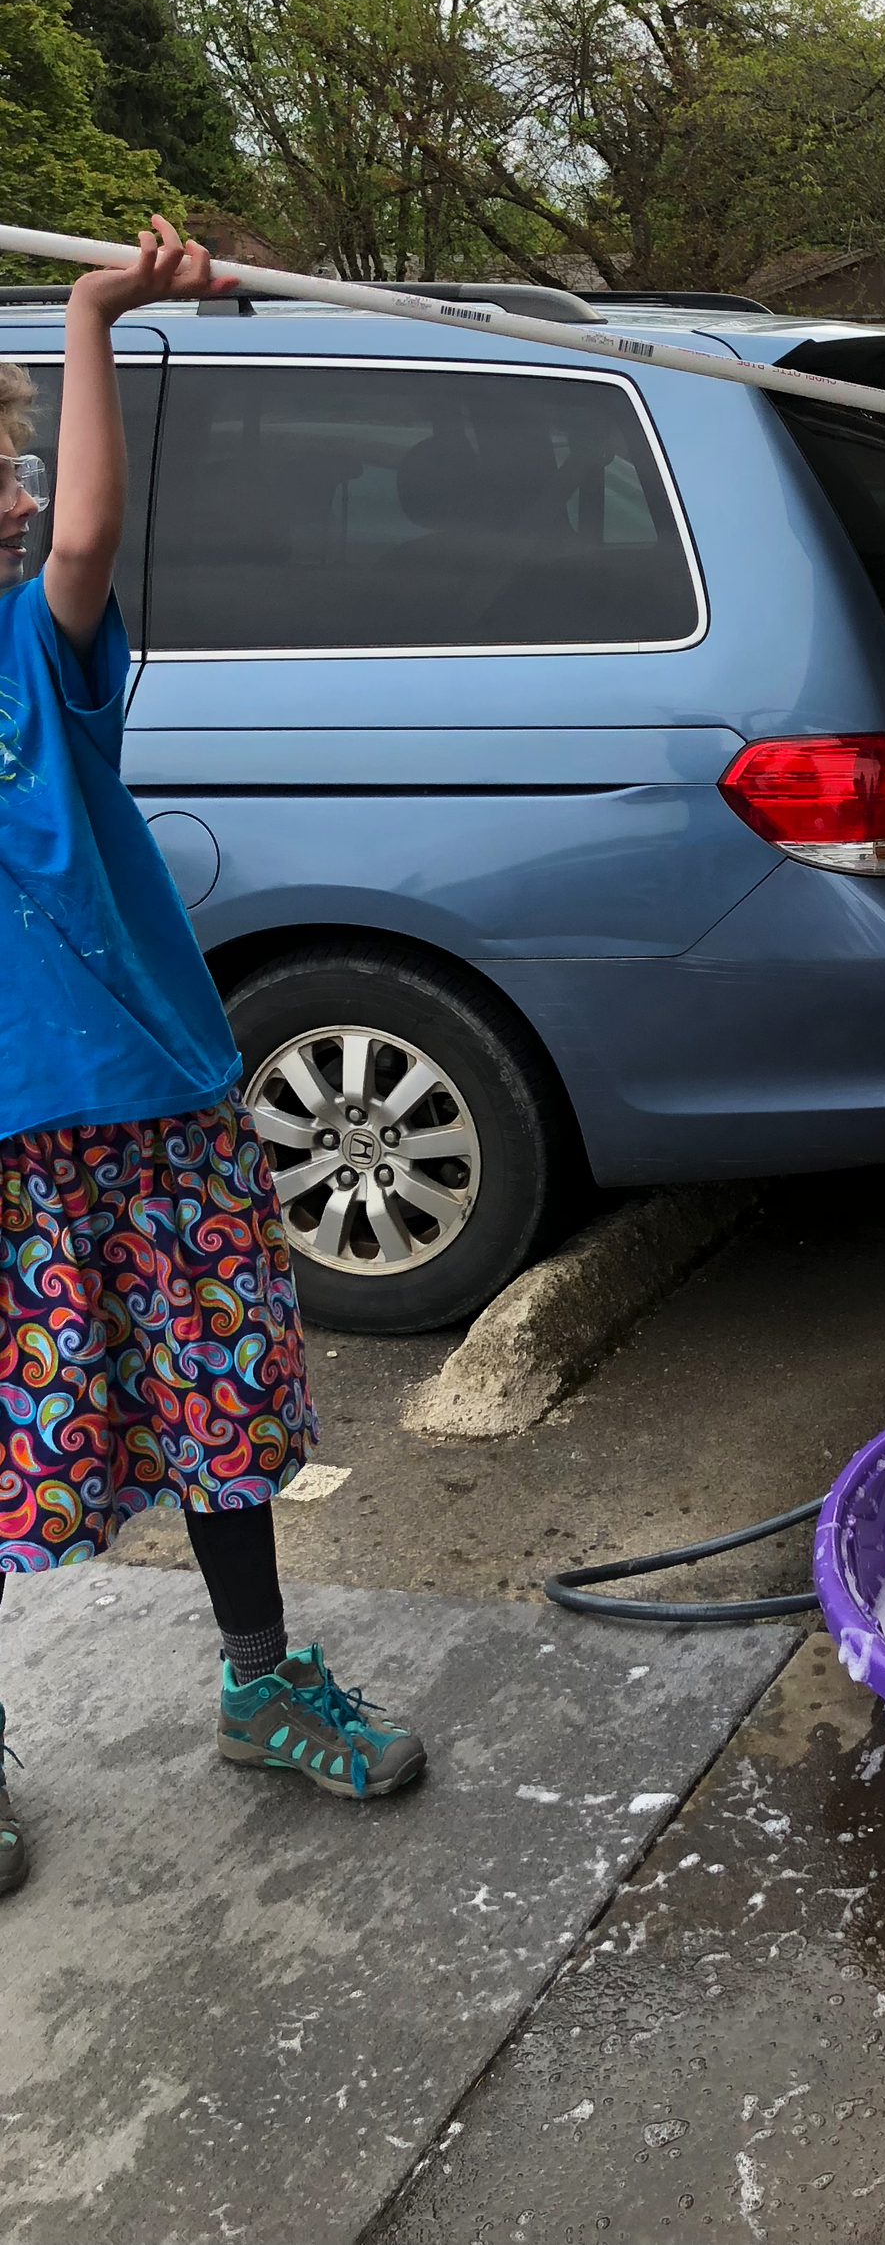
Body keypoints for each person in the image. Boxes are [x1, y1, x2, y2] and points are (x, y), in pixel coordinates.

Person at [0, 221, 425, 1901]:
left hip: (156, 1108)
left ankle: (261, 1683)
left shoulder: (34, 652)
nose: (24, 493)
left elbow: (94, 527)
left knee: (218, 1407)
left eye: (21, 462)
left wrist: (97, 317)